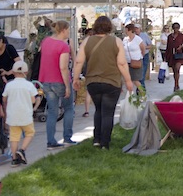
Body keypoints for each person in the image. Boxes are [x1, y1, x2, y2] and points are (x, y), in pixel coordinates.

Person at [73, 16, 134, 150]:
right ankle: (105, 143)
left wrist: (75, 78)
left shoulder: (87, 41)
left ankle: (97, 139)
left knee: (99, 110)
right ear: (109, 27)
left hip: (93, 82)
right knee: (108, 112)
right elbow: (122, 63)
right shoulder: (116, 41)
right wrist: (128, 80)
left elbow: (78, 61)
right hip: (112, 81)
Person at [38, 20, 76, 149]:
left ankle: (51, 141)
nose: (69, 32)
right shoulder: (63, 46)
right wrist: (67, 86)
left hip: (46, 80)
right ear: (64, 30)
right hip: (59, 81)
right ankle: (67, 137)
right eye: (68, 29)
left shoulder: (46, 42)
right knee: (69, 108)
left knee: (52, 111)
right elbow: (63, 67)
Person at [2, 61, 37, 167]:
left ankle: (14, 159)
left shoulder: (9, 85)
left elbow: (4, 99)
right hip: (25, 114)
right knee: (29, 133)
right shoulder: (29, 85)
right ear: (26, 72)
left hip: (13, 115)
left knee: (14, 137)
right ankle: (22, 150)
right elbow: (33, 100)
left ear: (13, 72)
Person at [165, 22, 183, 92]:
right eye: (174, 28)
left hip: (179, 55)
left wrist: (181, 47)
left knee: (177, 68)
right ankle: (176, 83)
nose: (176, 29)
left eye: (177, 28)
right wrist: (165, 57)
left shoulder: (182, 36)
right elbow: (168, 47)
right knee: (174, 70)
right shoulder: (170, 37)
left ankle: (176, 84)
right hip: (171, 55)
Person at [123, 24, 145, 89]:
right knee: (128, 80)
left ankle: (143, 93)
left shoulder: (138, 39)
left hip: (136, 61)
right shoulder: (125, 39)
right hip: (127, 62)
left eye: (126, 30)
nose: (125, 31)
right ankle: (130, 95)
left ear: (130, 30)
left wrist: (141, 56)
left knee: (135, 80)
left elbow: (143, 48)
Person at [134, 24, 152, 89]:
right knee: (137, 76)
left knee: (142, 74)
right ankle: (141, 91)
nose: (136, 30)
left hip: (144, 56)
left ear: (140, 29)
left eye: (137, 28)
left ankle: (141, 91)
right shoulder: (132, 37)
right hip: (136, 57)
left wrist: (144, 47)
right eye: (135, 29)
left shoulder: (144, 36)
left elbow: (150, 45)